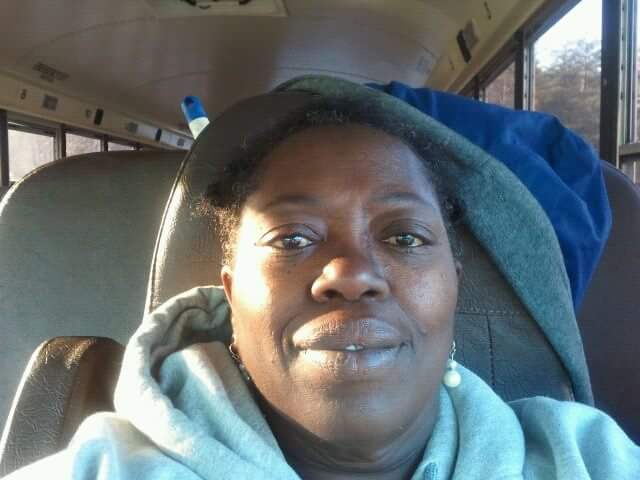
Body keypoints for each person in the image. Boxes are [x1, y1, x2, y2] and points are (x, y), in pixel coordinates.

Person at [4, 76, 639, 479]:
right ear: (231, 293)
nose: (352, 275)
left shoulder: (583, 457)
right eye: (293, 239)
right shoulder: (103, 468)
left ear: (453, 283)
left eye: (404, 238)